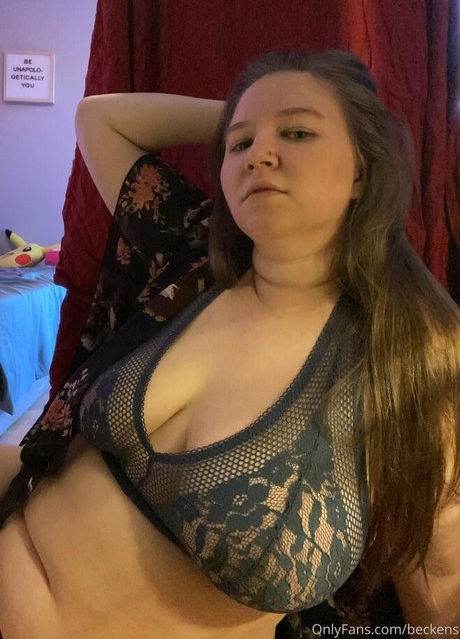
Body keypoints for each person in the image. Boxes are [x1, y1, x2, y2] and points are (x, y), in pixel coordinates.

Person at [0, 50, 459, 638]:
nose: (259, 155)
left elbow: (441, 592)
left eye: (297, 133)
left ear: (362, 174)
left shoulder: (413, 354)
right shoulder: (194, 255)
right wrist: (246, 116)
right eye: (240, 145)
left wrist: (260, 120)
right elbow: (99, 118)